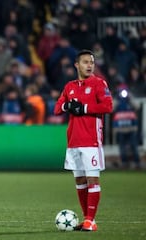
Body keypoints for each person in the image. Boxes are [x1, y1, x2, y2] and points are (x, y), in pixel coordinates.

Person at [54, 49, 113, 231]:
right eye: (86, 62)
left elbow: (107, 106)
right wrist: (67, 105)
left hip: (91, 141)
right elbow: (57, 109)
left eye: (92, 62)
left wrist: (84, 108)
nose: (89, 65)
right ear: (77, 65)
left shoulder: (98, 83)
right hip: (73, 141)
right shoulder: (70, 86)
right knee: (80, 181)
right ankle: (88, 220)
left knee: (92, 180)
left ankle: (90, 220)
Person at [112, 85, 141, 169]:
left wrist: (130, 97)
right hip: (120, 128)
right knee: (122, 146)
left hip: (131, 127)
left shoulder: (130, 99)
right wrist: (117, 98)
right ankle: (124, 162)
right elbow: (111, 108)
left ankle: (137, 162)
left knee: (134, 145)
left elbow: (137, 106)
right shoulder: (117, 99)